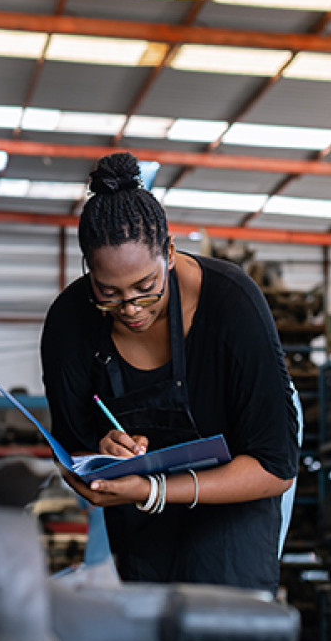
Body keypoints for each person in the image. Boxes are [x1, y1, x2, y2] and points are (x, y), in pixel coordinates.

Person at [40, 152, 299, 593]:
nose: (132, 309)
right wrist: (101, 455)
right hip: (138, 493)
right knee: (145, 601)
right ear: (88, 272)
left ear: (171, 253)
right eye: (110, 294)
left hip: (242, 470)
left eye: (146, 288)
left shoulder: (232, 304)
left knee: (225, 598)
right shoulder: (69, 323)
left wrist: (155, 490)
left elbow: (275, 465)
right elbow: (71, 456)